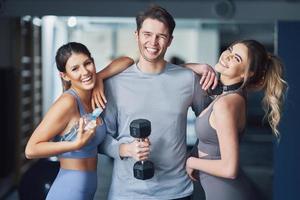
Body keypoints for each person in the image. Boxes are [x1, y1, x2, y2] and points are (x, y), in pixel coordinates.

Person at [93, 5, 217, 200]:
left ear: (170, 41)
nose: (153, 42)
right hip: (127, 193)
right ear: (137, 35)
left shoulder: (188, 79)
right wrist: (126, 149)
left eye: (161, 36)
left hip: (177, 191)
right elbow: (100, 138)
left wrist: (194, 157)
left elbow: (211, 125)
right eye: (147, 34)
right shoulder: (115, 83)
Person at [25, 42, 133, 200]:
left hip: (86, 190)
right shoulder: (68, 102)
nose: (85, 72)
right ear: (65, 75)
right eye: (75, 69)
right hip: (68, 191)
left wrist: (100, 77)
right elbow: (30, 150)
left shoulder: (93, 96)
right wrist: (75, 145)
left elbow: (127, 61)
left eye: (87, 63)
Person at [185, 39, 288, 200]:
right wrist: (202, 67)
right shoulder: (230, 96)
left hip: (228, 193)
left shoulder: (226, 104)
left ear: (246, 74)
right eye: (230, 49)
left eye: (237, 58)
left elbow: (229, 168)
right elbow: (170, 70)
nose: (227, 56)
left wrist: (191, 162)